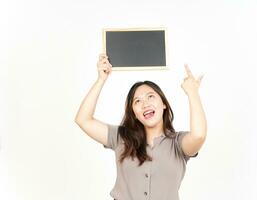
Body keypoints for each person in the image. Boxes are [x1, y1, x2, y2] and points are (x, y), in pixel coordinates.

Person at [74, 54, 207, 200]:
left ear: (163, 104)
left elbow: (199, 135)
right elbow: (83, 120)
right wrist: (101, 80)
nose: (145, 104)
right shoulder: (120, 137)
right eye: (137, 101)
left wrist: (192, 93)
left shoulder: (178, 144)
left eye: (150, 96)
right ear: (134, 113)